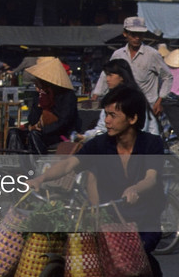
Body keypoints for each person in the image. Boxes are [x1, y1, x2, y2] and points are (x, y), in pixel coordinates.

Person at [29, 85, 167, 253]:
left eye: (113, 115)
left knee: (136, 261)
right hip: (111, 221)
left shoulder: (151, 143)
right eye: (106, 114)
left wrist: (135, 189)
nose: (107, 120)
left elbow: (151, 178)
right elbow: (68, 164)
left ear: (132, 119)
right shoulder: (100, 144)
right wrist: (40, 179)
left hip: (144, 222)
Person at [91, 16, 171, 128]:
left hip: (147, 107)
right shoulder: (118, 54)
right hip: (125, 107)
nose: (137, 38)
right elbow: (106, 75)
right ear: (125, 34)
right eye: (133, 34)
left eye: (140, 34)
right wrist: (96, 94)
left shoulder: (152, 54)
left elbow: (167, 76)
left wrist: (160, 100)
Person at [19, 57, 80, 152]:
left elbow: (64, 121)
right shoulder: (41, 95)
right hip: (40, 130)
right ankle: (15, 163)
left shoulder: (67, 95)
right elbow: (32, 119)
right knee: (14, 133)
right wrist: (39, 102)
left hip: (59, 133)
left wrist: (43, 129)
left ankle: (37, 165)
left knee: (34, 134)